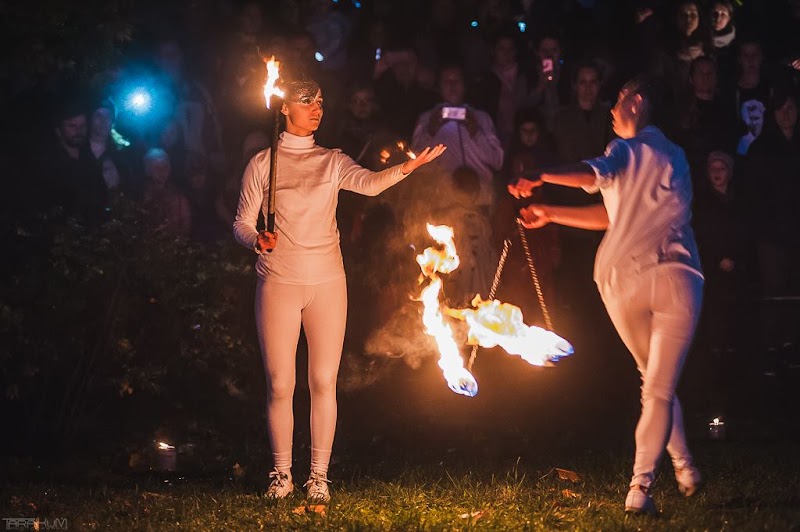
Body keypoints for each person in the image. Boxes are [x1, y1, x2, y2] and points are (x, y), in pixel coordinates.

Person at [233, 77, 446, 504]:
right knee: (279, 383)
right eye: (307, 102)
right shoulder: (263, 163)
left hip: (328, 282)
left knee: (323, 381)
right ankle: (280, 474)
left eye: (321, 102)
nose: (317, 109)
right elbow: (241, 223)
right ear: (284, 109)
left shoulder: (331, 160)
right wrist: (257, 238)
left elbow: (368, 183)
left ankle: (318, 476)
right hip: (278, 281)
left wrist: (407, 168)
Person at [508, 76, 704, 515]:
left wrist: (539, 175)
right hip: (675, 277)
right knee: (658, 388)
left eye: (616, 103)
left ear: (636, 102)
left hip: (624, 282)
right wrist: (550, 212)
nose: (611, 112)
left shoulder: (626, 150)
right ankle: (641, 488)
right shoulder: (676, 156)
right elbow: (610, 213)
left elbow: (589, 175)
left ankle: (685, 468)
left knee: (654, 383)